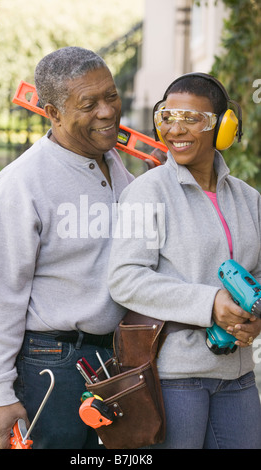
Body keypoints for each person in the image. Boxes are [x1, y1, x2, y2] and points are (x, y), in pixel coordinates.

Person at [0, 46, 138, 449]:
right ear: (53, 112)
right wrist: (0, 393)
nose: (107, 111)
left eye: (111, 96)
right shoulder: (21, 185)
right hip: (52, 364)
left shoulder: (115, 163)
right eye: (89, 103)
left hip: (114, 359)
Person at [108, 73, 261, 449]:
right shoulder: (148, 192)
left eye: (192, 119)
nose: (176, 129)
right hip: (177, 378)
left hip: (238, 375)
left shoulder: (247, 198)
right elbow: (126, 278)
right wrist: (209, 304)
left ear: (223, 127)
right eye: (168, 117)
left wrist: (254, 316)